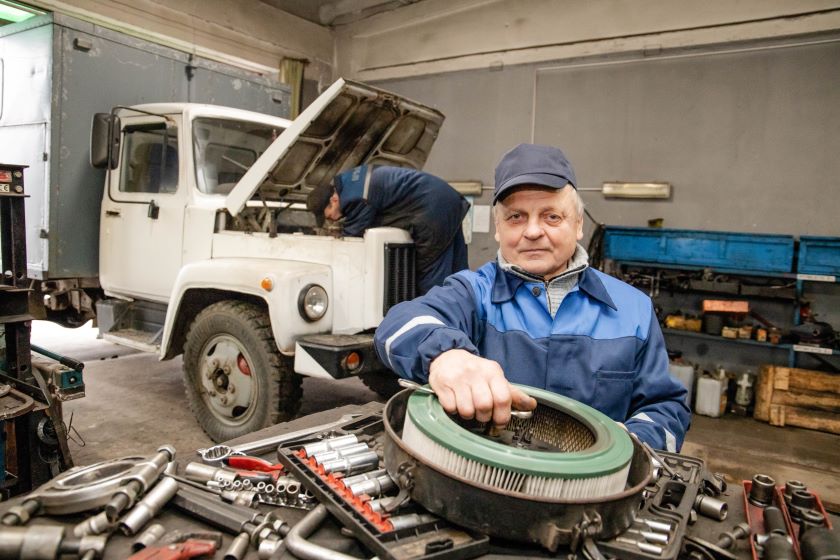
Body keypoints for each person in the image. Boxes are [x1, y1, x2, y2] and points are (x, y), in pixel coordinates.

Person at [373, 144, 690, 451]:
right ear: (498, 228)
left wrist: (634, 446)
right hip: (489, 475)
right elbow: (398, 324)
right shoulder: (473, 292)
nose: (533, 231)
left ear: (578, 225)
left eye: (551, 216)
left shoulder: (633, 308)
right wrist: (446, 356)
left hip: (597, 484)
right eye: (516, 217)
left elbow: (665, 407)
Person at [307, 165, 470, 295]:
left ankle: (435, 323)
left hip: (431, 210)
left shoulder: (356, 198)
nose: (332, 220)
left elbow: (351, 238)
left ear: (334, 200)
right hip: (447, 198)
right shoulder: (350, 180)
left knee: (431, 279)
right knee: (459, 273)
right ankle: (468, 319)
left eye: (328, 215)